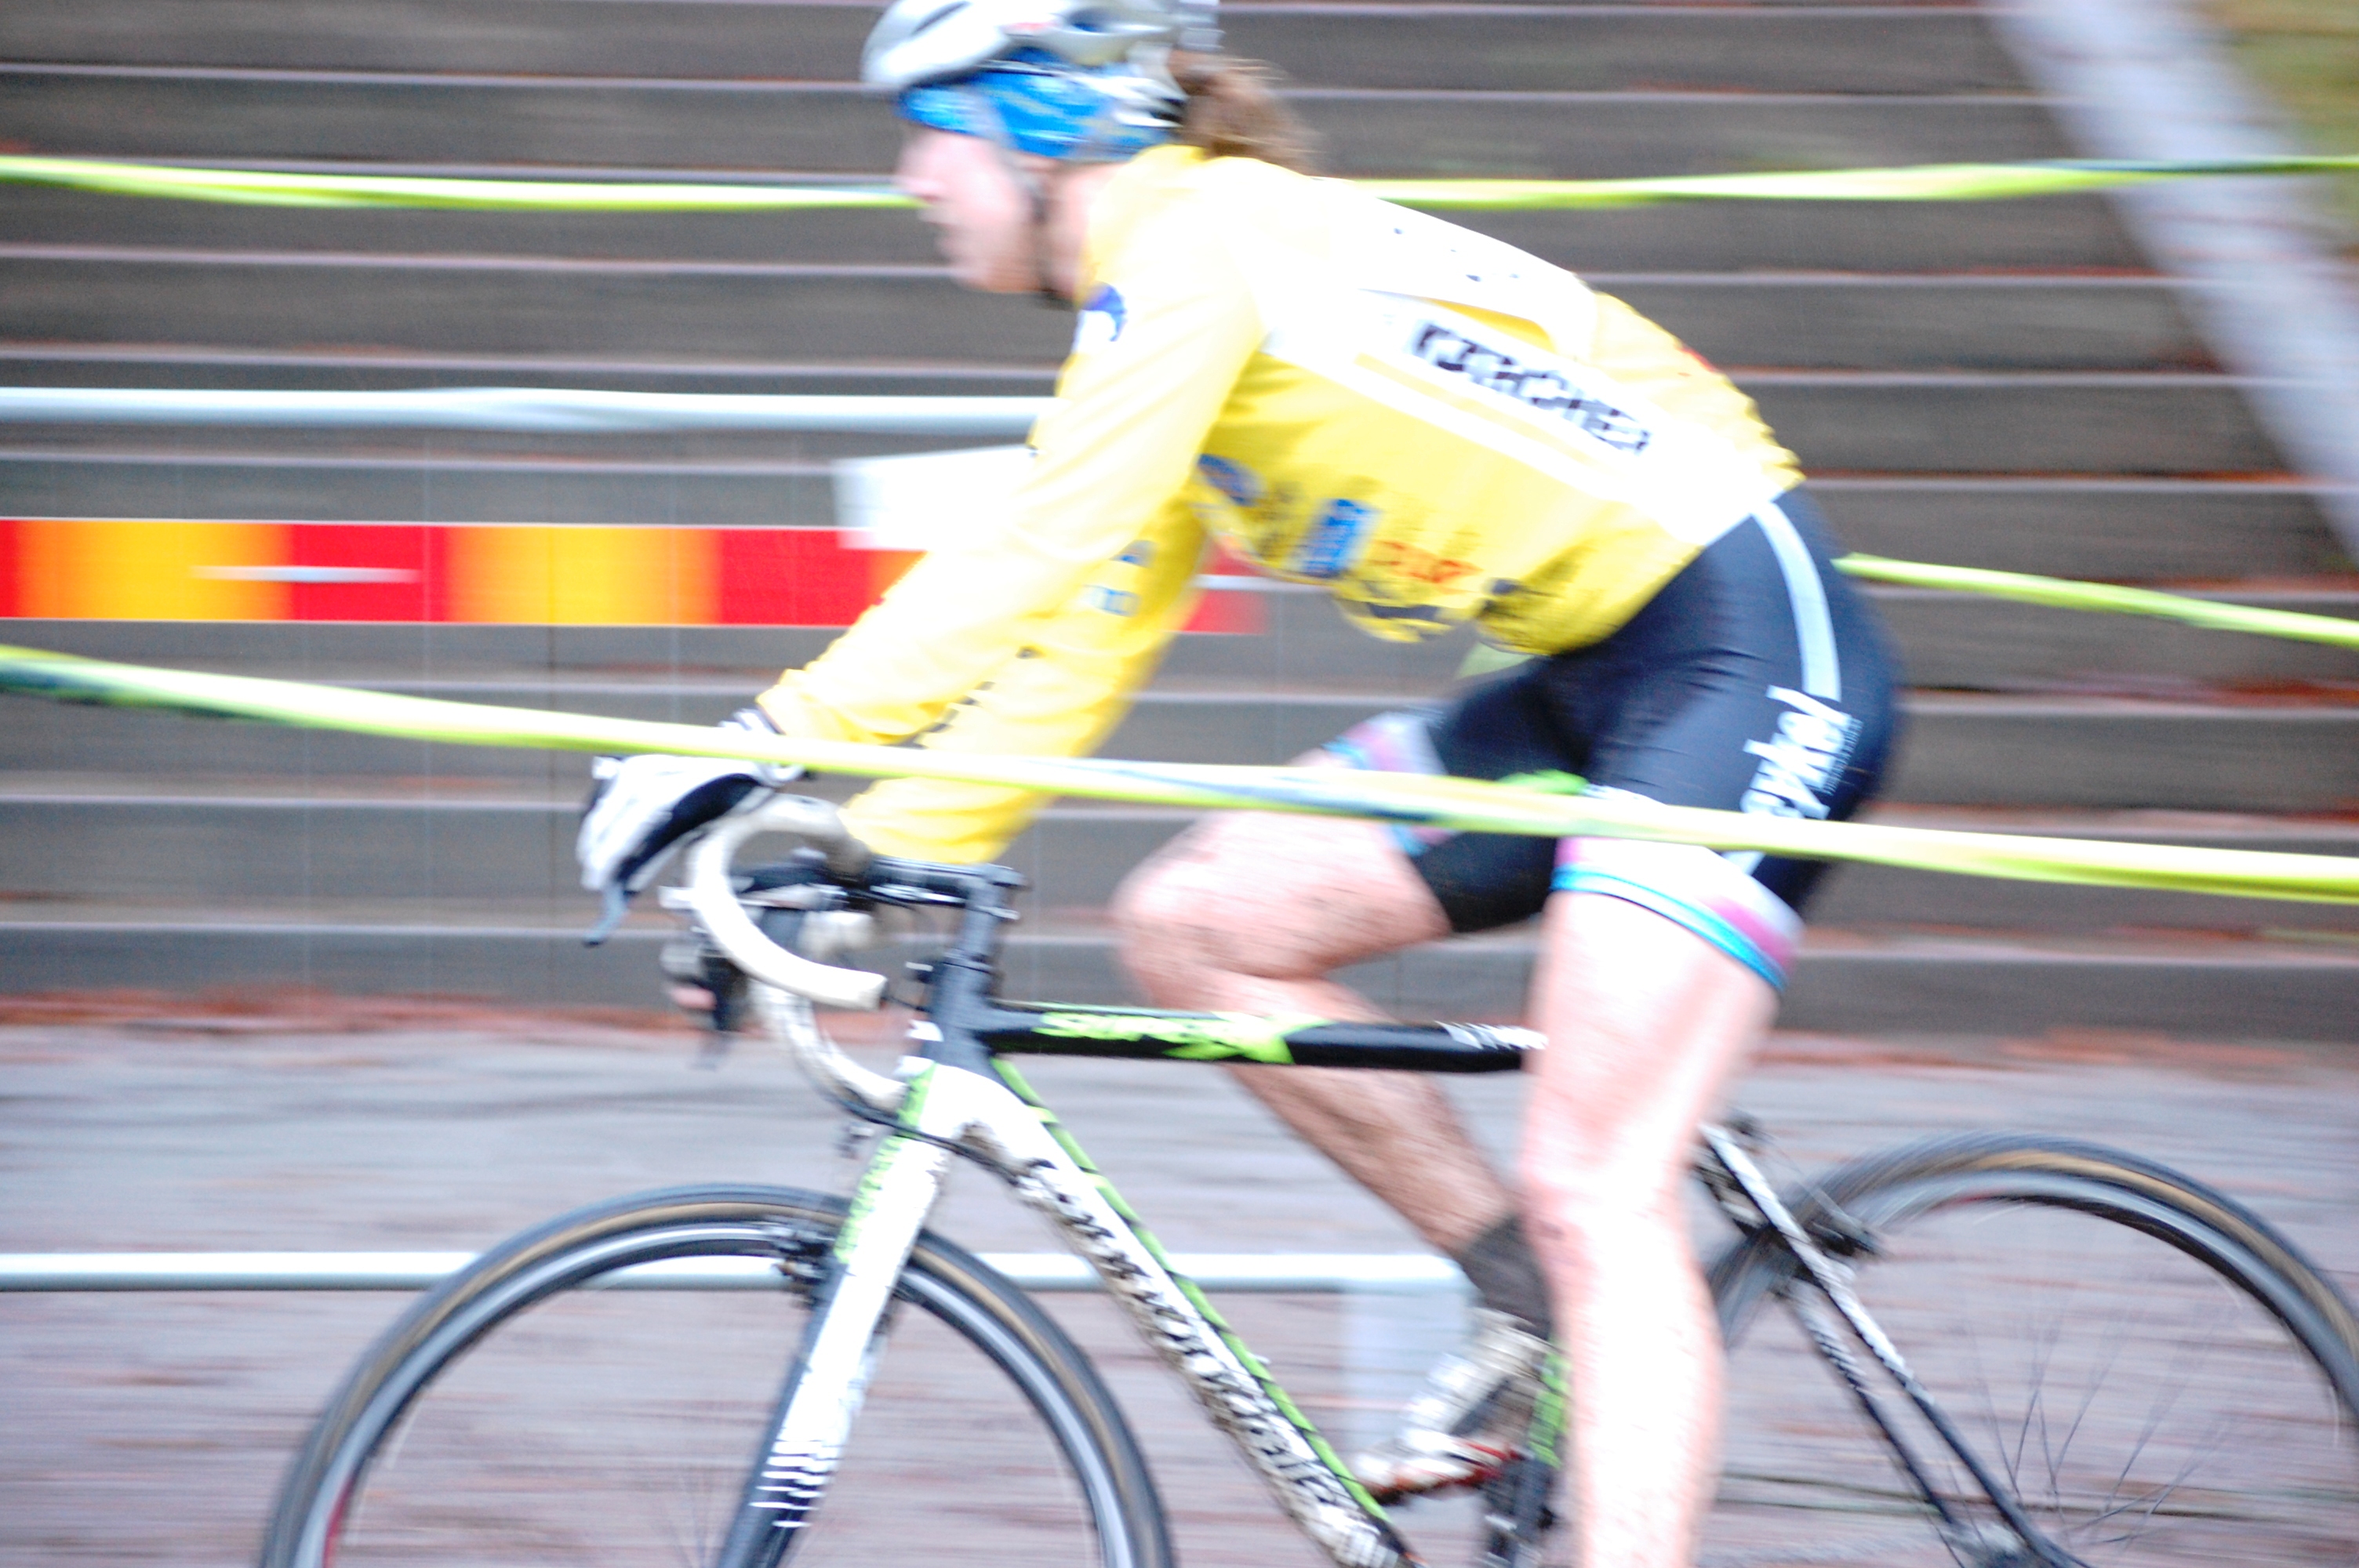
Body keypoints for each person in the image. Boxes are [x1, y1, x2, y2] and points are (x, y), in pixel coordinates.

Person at [577, 2, 1899, 1561]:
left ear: (1043, 121)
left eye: (932, 129)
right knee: (1197, 928)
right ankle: (1531, 1298)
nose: (911, 177)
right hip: (1591, 681)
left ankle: (1582, 1288)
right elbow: (1085, 633)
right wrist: (861, 859)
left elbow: (1033, 549)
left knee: (1596, 1187)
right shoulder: (1167, 297)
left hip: (1746, 653)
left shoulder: (1200, 249)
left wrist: (749, 748)